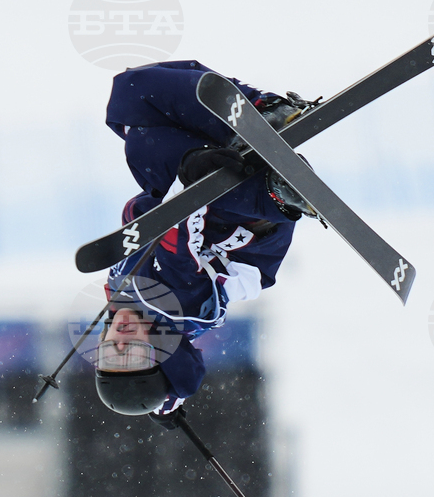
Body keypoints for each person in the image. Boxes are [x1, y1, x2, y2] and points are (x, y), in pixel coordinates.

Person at [95, 60, 319, 421]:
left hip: (215, 183)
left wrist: (165, 396)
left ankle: (263, 112)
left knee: (131, 97)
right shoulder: (176, 310)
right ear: (163, 351)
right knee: (146, 153)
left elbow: (143, 212)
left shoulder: (126, 296)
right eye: (134, 356)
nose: (120, 343)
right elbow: (174, 232)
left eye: (110, 356)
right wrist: (189, 176)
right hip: (248, 214)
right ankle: (278, 190)